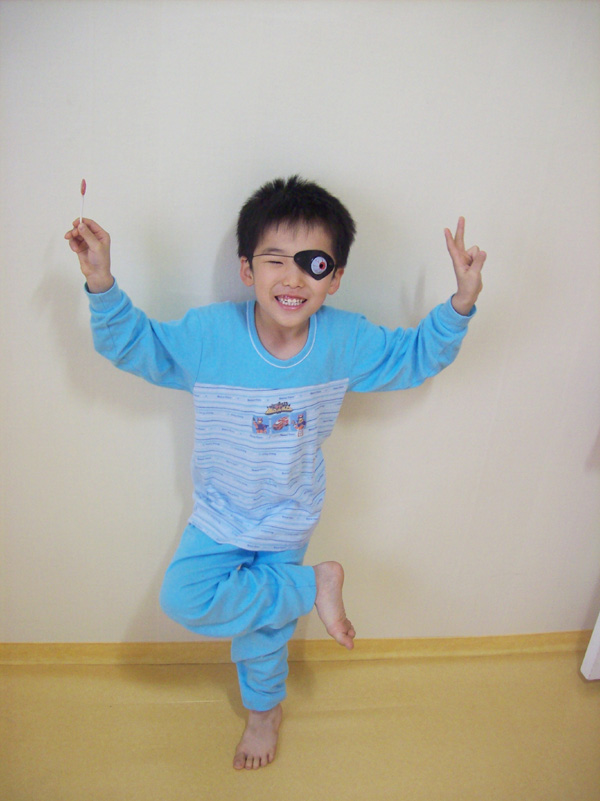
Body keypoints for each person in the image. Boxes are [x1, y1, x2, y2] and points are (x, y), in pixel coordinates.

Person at [65, 175, 486, 770]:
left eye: (314, 264)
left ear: (334, 278)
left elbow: (414, 356)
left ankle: (264, 713)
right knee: (185, 596)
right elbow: (137, 346)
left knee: (264, 633)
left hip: (288, 515)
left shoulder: (344, 340)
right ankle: (315, 587)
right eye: (275, 260)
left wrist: (461, 303)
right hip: (220, 514)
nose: (293, 278)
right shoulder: (210, 335)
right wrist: (100, 281)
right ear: (247, 269)